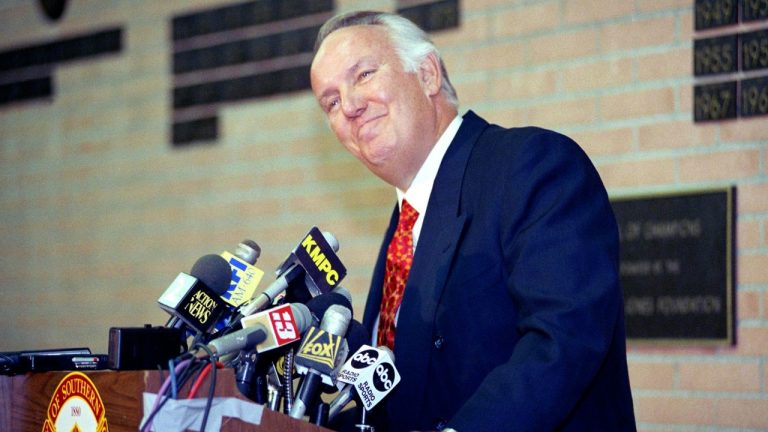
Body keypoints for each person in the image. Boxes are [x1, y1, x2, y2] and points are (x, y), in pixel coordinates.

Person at [310, 10, 636, 432]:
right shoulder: (405, 221)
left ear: (427, 73)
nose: (350, 106)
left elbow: (561, 342)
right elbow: (410, 388)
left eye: (365, 74)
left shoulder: (532, 166)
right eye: (331, 102)